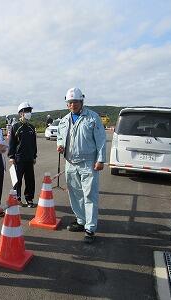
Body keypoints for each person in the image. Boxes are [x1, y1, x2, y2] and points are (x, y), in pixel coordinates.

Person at [56, 87, 106, 244]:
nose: (73, 105)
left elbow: (101, 140)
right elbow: (59, 136)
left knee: (89, 195)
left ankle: (90, 228)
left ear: (82, 101)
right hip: (70, 162)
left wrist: (100, 160)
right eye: (70, 102)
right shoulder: (64, 120)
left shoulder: (92, 118)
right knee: (75, 194)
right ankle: (81, 220)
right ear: (67, 104)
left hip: (88, 163)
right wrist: (60, 144)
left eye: (76, 102)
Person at [8, 102, 37, 208]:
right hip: (18, 158)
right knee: (17, 180)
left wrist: (34, 156)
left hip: (29, 158)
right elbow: (12, 143)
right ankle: (18, 199)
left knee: (30, 180)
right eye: (26, 111)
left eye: (30, 111)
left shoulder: (31, 127)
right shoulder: (15, 127)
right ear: (21, 113)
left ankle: (29, 199)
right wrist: (11, 156)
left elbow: (34, 143)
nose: (29, 113)